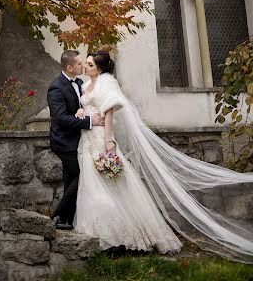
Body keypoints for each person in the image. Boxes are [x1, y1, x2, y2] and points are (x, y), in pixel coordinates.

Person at [74, 50, 253, 262]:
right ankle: (99, 234)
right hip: (87, 139)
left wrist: (109, 140)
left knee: (116, 184)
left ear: (100, 68)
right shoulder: (85, 86)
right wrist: (80, 112)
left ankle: (128, 236)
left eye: (90, 65)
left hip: (102, 138)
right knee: (93, 185)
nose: (85, 67)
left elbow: (109, 111)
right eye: (85, 64)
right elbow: (85, 107)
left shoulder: (107, 82)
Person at [47, 49, 105, 230]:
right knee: (81, 175)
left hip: (80, 140)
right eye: (80, 64)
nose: (83, 66)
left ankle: (66, 220)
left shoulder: (80, 82)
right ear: (69, 67)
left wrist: (82, 111)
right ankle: (58, 216)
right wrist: (89, 121)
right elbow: (60, 118)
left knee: (71, 178)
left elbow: (82, 105)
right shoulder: (56, 87)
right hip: (64, 142)